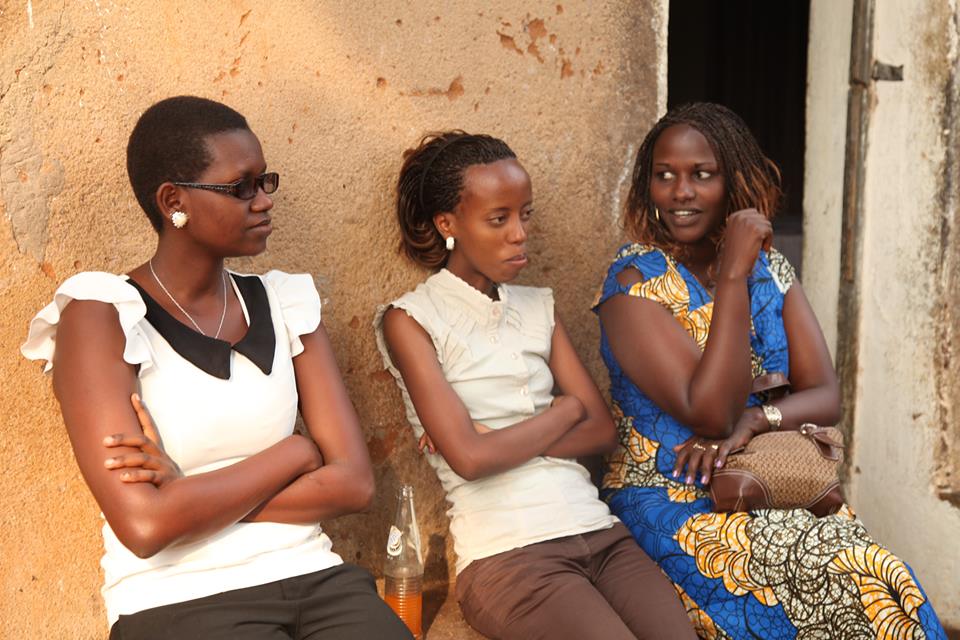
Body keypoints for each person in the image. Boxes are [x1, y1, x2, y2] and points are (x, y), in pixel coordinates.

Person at [21, 96, 412, 640]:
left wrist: (187, 497)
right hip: (177, 597)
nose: (264, 201)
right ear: (173, 201)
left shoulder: (284, 302)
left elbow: (353, 484)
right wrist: (297, 453)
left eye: (265, 181)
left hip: (314, 576)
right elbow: (145, 525)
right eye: (241, 187)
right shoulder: (103, 314)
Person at [594, 102, 946, 639]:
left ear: (733, 182)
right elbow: (711, 414)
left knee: (883, 575)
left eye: (701, 174)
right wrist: (733, 277)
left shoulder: (772, 271)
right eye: (664, 176)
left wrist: (757, 420)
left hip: (768, 486)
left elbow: (825, 395)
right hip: (671, 500)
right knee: (855, 573)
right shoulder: (634, 282)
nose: (680, 192)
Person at [374, 131, 695, 640]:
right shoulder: (412, 320)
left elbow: (601, 431)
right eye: (498, 219)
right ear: (447, 224)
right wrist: (563, 412)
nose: (519, 234)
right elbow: (470, 461)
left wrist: (497, 440)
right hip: (508, 555)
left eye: (525, 214)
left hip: (599, 532)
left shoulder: (538, 306)